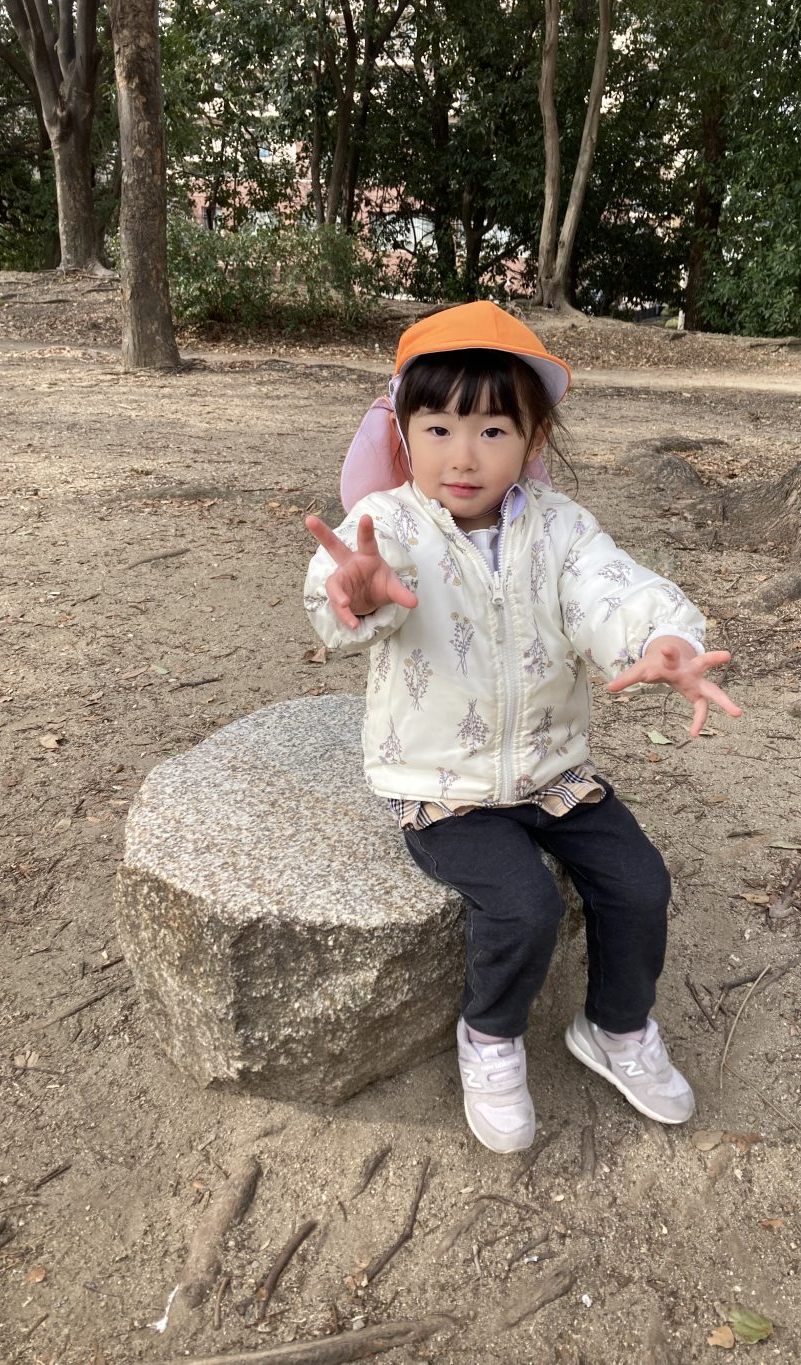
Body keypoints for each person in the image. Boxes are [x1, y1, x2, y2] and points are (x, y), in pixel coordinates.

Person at [303, 301, 741, 1154]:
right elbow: (345, 586)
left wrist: (662, 638)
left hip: (553, 768)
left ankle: (616, 1025)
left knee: (640, 881)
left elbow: (611, 590)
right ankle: (491, 1034)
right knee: (524, 904)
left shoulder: (559, 527)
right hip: (443, 782)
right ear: (403, 432)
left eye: (493, 430)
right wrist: (352, 591)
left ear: (533, 437)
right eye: (437, 428)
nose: (463, 455)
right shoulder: (391, 524)